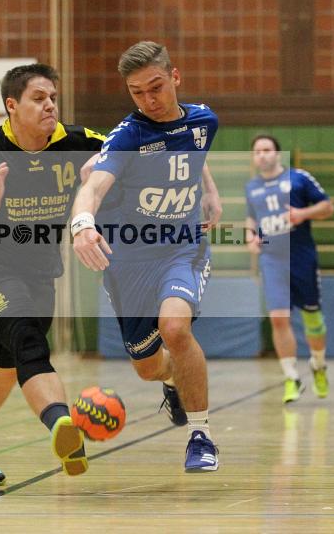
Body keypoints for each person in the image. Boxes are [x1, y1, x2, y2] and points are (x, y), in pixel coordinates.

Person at [0, 63, 105, 485]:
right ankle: (62, 427)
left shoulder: (79, 143)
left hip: (42, 273)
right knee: (29, 344)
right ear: (12, 105)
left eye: (53, 98)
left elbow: (130, 151)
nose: (50, 105)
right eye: (38, 98)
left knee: (7, 361)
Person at [71, 41, 223, 472]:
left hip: (182, 246)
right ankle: (175, 381)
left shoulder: (204, 120)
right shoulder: (128, 136)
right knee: (149, 367)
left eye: (155, 87)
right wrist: (83, 223)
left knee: (174, 328)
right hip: (129, 262)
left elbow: (195, 154)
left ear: (175, 77)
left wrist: (209, 189)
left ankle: (201, 436)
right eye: (137, 92)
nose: (148, 99)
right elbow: (94, 187)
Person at [244, 135, 334, 403]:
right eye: (257, 151)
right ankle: (291, 377)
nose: (262, 155)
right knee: (278, 319)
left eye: (267, 150)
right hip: (272, 260)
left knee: (312, 319)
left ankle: (318, 365)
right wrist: (251, 235)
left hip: (302, 257)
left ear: (278, 154)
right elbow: (252, 217)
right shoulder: (252, 187)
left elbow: (328, 206)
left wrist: (302, 214)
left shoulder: (299, 179)